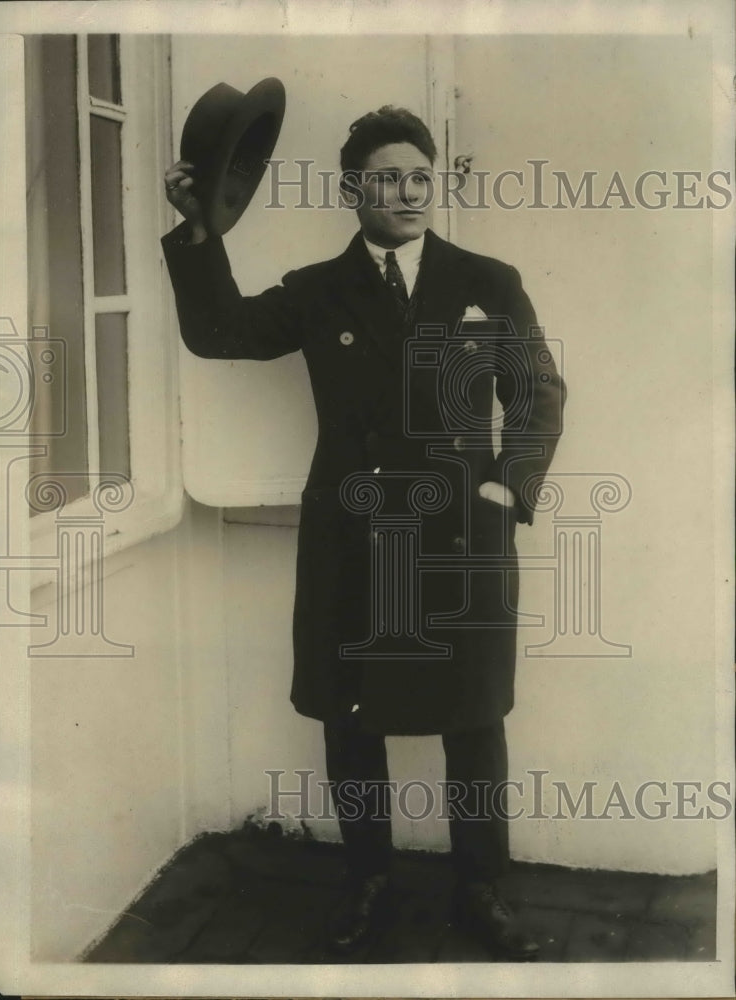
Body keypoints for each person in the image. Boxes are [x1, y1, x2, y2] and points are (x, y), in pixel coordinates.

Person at [161, 106, 566, 960]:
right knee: (351, 717)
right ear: (352, 190)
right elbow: (219, 331)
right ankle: (368, 880)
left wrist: (507, 486)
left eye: (421, 175)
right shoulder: (317, 289)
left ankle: (482, 888)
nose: (408, 192)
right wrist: (198, 236)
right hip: (354, 534)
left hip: (462, 537)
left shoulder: (487, 280)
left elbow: (536, 392)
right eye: (387, 177)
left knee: (475, 716)